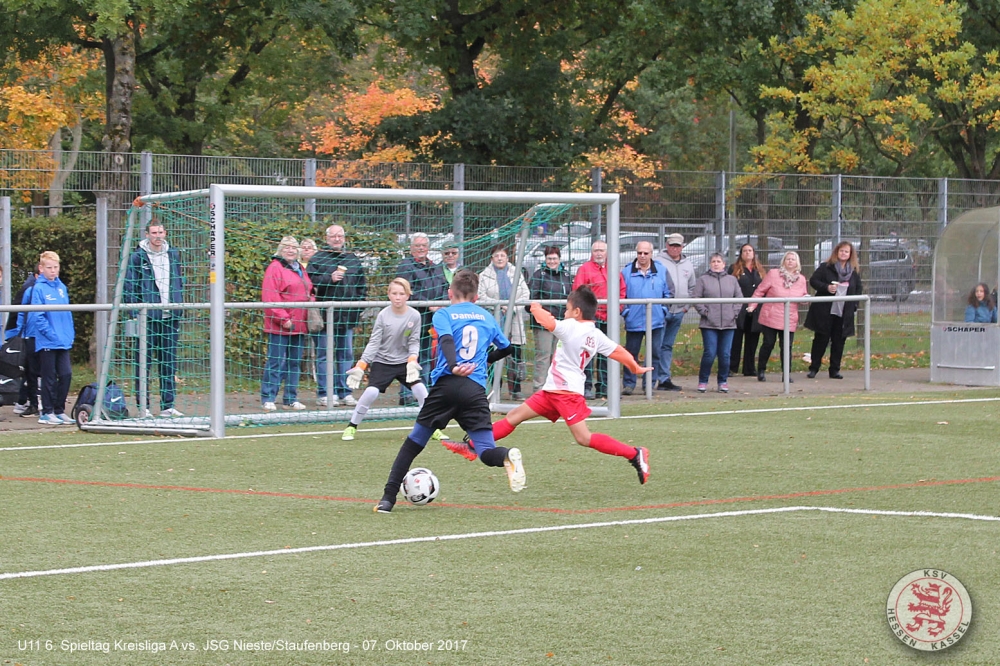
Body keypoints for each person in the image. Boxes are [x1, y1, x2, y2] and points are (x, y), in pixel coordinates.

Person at [443, 287, 652, 484]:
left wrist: (535, 307)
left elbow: (549, 322)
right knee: (514, 416)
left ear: (577, 312)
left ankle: (634, 453)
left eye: (567, 309)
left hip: (567, 394)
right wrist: (634, 367)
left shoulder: (572, 326)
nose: (565, 313)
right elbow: (617, 351)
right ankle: (472, 445)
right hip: (552, 392)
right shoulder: (595, 334)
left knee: (583, 438)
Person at [373, 269, 525, 513]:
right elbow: (507, 349)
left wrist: (454, 366)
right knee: (486, 451)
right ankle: (507, 455)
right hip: (474, 390)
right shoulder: (486, 316)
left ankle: (387, 500)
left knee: (413, 444)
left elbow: (446, 341)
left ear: (450, 292)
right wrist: (485, 360)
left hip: (446, 386)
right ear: (476, 297)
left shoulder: (443, 314)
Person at [342, 278, 429, 440]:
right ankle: (351, 426)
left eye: (401, 294)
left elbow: (414, 341)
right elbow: (374, 342)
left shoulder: (415, 315)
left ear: (408, 295)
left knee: (421, 390)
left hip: (405, 363)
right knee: (371, 392)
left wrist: (412, 360)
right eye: (394, 293)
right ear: (388, 294)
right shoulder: (383, 315)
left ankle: (431, 428)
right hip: (383, 362)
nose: (398, 297)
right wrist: (361, 364)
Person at [123, 220, 185, 417]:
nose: (158, 236)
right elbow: (130, 286)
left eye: (160, 232)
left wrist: (178, 303)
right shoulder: (137, 257)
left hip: (170, 317)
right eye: (154, 233)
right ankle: (144, 407)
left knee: (168, 363)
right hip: (147, 318)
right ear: (147, 234)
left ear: (165, 233)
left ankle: (168, 405)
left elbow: (179, 280)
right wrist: (134, 314)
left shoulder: (173, 254)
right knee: (144, 364)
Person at [307, 224, 366, 408]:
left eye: (340, 236)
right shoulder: (318, 259)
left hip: (347, 317)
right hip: (324, 318)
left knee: (346, 355)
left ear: (344, 238)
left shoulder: (352, 259)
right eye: (333, 236)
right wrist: (329, 278)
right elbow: (309, 284)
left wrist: (357, 309)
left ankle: (345, 392)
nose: (337, 239)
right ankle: (325, 393)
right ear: (327, 238)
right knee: (324, 355)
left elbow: (361, 287)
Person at [261, 237, 313, 411]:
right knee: (276, 361)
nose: (290, 250)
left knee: (294, 362)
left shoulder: (300, 268)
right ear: (280, 249)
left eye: (293, 247)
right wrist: (283, 318)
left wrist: (312, 307)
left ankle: (290, 398)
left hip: (299, 324)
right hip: (280, 325)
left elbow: (308, 291)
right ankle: (268, 397)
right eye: (287, 247)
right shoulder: (275, 268)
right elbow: (270, 297)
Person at [395, 233, 448, 395]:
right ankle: (407, 394)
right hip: (411, 319)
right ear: (411, 248)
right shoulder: (406, 266)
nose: (421, 248)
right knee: (410, 356)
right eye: (417, 246)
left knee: (425, 355)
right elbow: (405, 290)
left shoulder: (434, 267)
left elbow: (445, 286)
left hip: (429, 320)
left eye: (424, 245)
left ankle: (422, 392)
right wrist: (427, 304)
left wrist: (441, 303)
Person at [805, 241, 865, 379]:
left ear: (850, 254)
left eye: (846, 251)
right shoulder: (825, 267)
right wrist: (827, 287)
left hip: (844, 312)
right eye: (841, 251)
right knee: (821, 339)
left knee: (839, 341)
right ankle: (814, 368)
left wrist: (854, 306)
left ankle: (834, 370)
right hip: (825, 310)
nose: (843, 253)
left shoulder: (854, 272)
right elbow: (814, 281)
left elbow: (858, 289)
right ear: (837, 252)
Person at [27, 251, 74, 425]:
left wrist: (69, 334)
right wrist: (50, 334)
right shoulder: (38, 288)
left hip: (63, 340)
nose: (53, 271)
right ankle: (47, 412)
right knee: (49, 377)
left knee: (66, 374)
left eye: (55, 267)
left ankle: (59, 410)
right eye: (49, 267)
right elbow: (38, 316)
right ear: (41, 268)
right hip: (47, 341)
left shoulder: (62, 288)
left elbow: (67, 314)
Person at [478, 243, 530, 399]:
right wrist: (498, 306)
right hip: (494, 320)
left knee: (515, 355)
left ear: (508, 258)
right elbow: (480, 296)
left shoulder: (516, 273)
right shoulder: (484, 275)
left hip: (514, 320)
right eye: (496, 255)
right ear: (491, 258)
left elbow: (525, 294)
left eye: (502, 255)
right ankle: (495, 390)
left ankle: (516, 390)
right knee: (494, 355)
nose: (499, 258)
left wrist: (512, 307)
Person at [747, 251, 808, 382]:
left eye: (793, 259)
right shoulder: (774, 274)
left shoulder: (801, 279)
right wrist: (752, 305)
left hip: (789, 318)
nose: (790, 261)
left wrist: (806, 299)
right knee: (768, 343)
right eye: (788, 259)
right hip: (771, 316)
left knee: (787, 347)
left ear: (797, 263)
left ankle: (786, 374)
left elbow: (803, 296)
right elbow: (760, 291)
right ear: (783, 261)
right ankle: (761, 370)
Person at [619, 241, 670, 395]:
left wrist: (663, 310)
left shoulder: (661, 270)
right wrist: (626, 312)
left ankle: (649, 384)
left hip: (655, 321)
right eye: (639, 253)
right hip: (634, 321)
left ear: (651, 254)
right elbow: (620, 294)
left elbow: (669, 293)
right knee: (630, 354)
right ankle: (629, 384)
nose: (642, 256)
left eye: (645, 253)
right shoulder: (626, 272)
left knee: (654, 354)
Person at [693, 253, 741, 393]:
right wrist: (705, 313)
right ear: (710, 264)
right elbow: (696, 298)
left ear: (723, 264)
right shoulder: (703, 280)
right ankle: (703, 381)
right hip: (709, 324)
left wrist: (733, 313)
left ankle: (723, 381)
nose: (716, 264)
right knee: (710, 353)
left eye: (718, 261)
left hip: (728, 323)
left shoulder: (732, 280)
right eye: (713, 261)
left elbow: (739, 298)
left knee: (725, 354)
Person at [527, 245, 572, 391]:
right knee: (543, 356)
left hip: (561, 323)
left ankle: (554, 387)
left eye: (554, 258)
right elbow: (531, 300)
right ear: (545, 259)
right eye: (549, 258)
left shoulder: (566, 276)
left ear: (559, 259)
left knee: (558, 357)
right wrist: (541, 315)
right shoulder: (538, 275)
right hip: (543, 324)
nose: (552, 261)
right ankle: (539, 388)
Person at [655, 233, 695, 391]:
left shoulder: (688, 264)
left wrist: (686, 307)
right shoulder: (658, 262)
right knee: (656, 346)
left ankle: (664, 378)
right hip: (661, 311)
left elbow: (692, 287)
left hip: (679, 312)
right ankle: (650, 379)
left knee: (667, 346)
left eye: (677, 246)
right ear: (667, 245)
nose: (674, 248)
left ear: (682, 247)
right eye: (672, 245)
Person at [573, 240, 609, 399]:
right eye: (596, 250)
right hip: (590, 319)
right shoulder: (584, 269)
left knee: (606, 353)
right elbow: (578, 292)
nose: (599, 253)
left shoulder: (612, 269)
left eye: (602, 250)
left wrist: (619, 308)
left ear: (607, 252)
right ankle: (586, 387)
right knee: (587, 353)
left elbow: (621, 290)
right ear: (591, 252)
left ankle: (604, 387)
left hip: (609, 317)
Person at [4, 264, 40, 417]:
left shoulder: (34, 286)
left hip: (23, 333)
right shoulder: (30, 288)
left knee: (29, 369)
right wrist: (18, 334)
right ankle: (26, 401)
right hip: (20, 334)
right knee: (28, 369)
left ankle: (22, 401)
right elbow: (20, 314)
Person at [728, 243, 765, 377]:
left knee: (753, 338)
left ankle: (749, 368)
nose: (747, 253)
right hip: (739, 308)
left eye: (750, 250)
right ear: (741, 254)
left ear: (754, 253)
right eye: (745, 251)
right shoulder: (734, 269)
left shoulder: (759, 270)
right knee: (736, 339)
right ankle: (732, 367)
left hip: (755, 309)